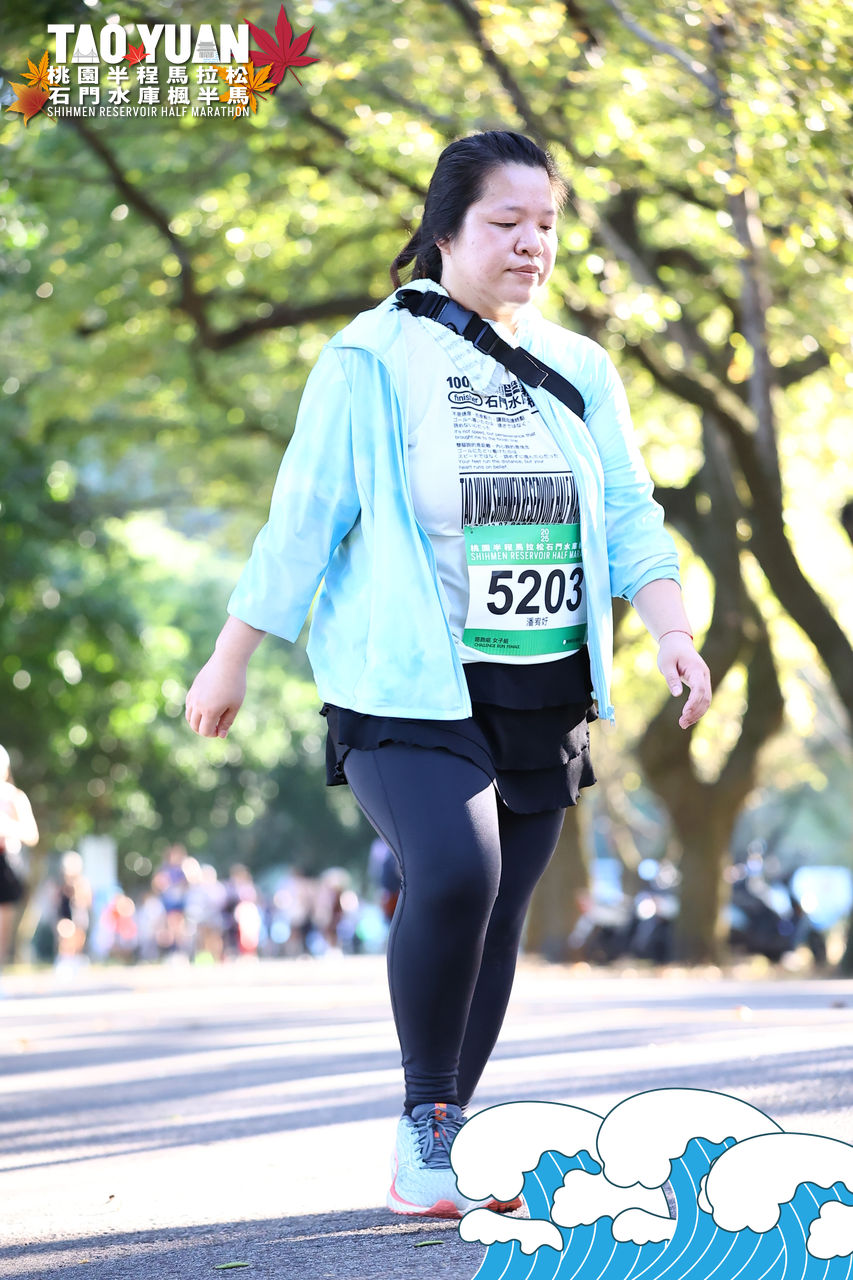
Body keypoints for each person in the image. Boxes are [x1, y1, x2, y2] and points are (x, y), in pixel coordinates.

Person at [185, 130, 711, 1217]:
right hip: (406, 682)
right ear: (444, 230)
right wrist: (231, 655)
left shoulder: (580, 367)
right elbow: (303, 518)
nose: (530, 245)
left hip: (542, 682)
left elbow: (628, 511)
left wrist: (670, 630)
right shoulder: (372, 359)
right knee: (459, 874)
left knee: (500, 909)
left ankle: (441, 1144)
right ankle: (426, 1120)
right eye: (504, 223)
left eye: (545, 225)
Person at [0, 744, 39, 966]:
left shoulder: (15, 797)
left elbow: (32, 834)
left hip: (5, 863)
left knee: (3, 925)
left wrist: (8, 827)